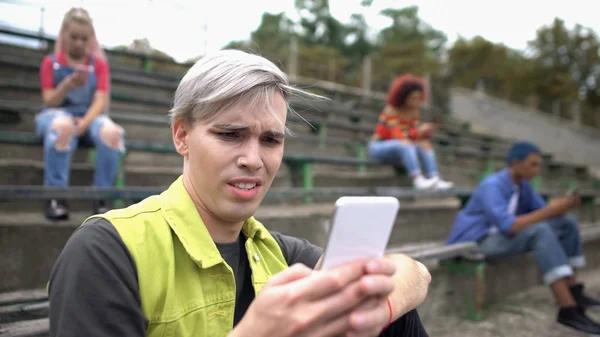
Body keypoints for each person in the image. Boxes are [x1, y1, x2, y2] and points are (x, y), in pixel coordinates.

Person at [48, 50, 432, 337]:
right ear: (181, 135)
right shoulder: (105, 252)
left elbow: (415, 272)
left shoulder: (280, 253)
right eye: (230, 134)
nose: (253, 159)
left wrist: (377, 309)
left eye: (270, 139)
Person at [446, 141, 600, 335]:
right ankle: (568, 310)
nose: (536, 170)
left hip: (501, 238)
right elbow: (509, 225)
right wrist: (549, 210)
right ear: (516, 162)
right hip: (477, 242)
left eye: (538, 165)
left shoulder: (522, 186)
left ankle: (574, 292)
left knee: (567, 224)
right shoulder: (492, 185)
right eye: (533, 164)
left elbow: (543, 211)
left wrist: (562, 207)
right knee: (540, 231)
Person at [37, 7, 124, 220]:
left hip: (88, 116)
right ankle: (55, 196)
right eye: (74, 37)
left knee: (112, 133)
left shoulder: (99, 65)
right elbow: (49, 101)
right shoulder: (51, 63)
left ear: (90, 39)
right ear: (64, 34)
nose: (79, 43)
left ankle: (102, 198)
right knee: (62, 127)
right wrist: (67, 85)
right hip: (56, 113)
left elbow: (100, 100)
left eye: (84, 38)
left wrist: (84, 122)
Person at [367, 74, 453, 191]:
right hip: (378, 147)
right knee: (406, 144)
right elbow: (397, 135)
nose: (416, 101)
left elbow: (411, 135)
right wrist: (418, 132)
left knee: (425, 144)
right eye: (412, 98)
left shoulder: (414, 112)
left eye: (418, 98)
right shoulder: (391, 110)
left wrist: (423, 134)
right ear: (403, 97)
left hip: (400, 147)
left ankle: (434, 177)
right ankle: (417, 179)